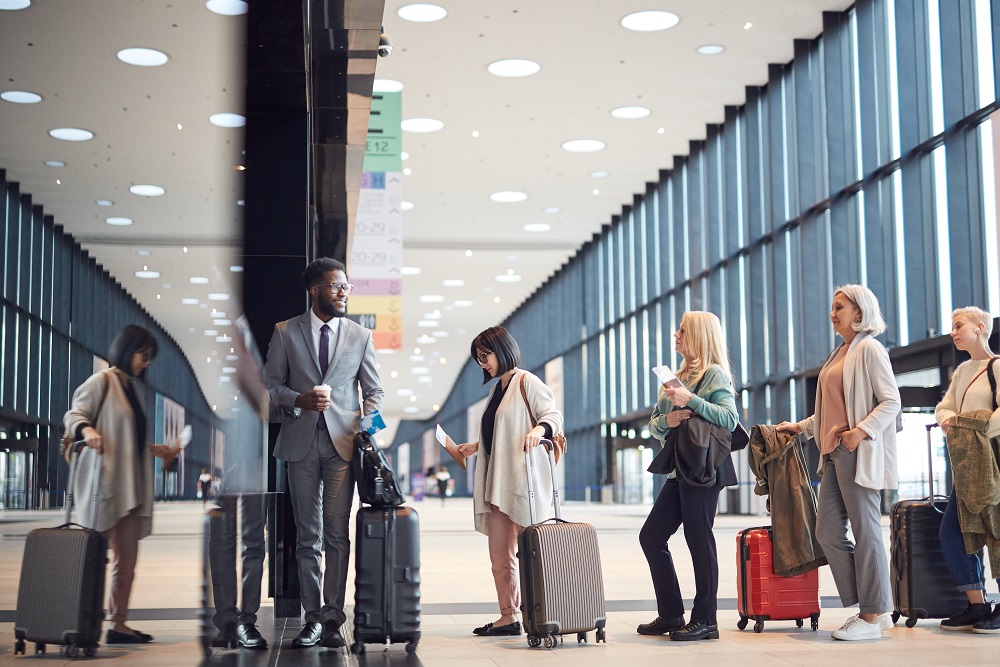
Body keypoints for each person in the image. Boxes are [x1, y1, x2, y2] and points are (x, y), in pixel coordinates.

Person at [263, 257, 384, 649]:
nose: (344, 292)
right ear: (314, 289)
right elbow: (270, 387)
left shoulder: (360, 336)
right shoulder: (285, 332)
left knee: (337, 533)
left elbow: (375, 393)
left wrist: (368, 427)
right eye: (336, 286)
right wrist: (299, 398)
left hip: (343, 447)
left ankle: (333, 616)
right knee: (307, 536)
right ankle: (311, 617)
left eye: (346, 286)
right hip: (299, 445)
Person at [777, 284, 900, 641]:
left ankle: (871, 614)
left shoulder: (870, 349)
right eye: (832, 307)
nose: (833, 313)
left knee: (866, 532)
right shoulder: (840, 352)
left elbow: (891, 402)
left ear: (859, 313)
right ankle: (875, 604)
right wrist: (801, 427)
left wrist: (860, 431)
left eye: (839, 307)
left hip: (855, 450)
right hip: (833, 452)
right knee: (827, 532)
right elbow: (830, 409)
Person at [63, 324, 180, 644]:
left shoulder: (133, 388)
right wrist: (88, 432)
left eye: (150, 358)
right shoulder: (102, 381)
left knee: (126, 562)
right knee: (92, 559)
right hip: (105, 486)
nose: (145, 363)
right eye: (143, 355)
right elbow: (74, 415)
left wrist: (156, 450)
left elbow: (129, 436)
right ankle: (79, 621)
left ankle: (119, 623)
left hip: (131, 488)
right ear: (127, 349)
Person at [456, 326, 563, 637]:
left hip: (523, 483)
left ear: (502, 350)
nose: (483, 363)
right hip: (498, 484)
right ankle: (509, 615)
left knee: (532, 553)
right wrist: (475, 446)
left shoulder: (526, 381)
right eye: (478, 358)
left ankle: (542, 612)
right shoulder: (495, 391)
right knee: (500, 555)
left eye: (485, 355)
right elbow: (498, 431)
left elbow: (552, 414)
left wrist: (539, 430)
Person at [638, 311, 738, 642]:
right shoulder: (675, 376)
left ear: (698, 335)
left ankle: (706, 619)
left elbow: (729, 418)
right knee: (651, 537)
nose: (676, 334)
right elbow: (654, 422)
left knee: (698, 538)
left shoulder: (714, 375)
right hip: (682, 467)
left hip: (706, 468)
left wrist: (690, 400)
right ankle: (670, 614)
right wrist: (670, 420)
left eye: (683, 329)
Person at [935, 306, 1000, 632]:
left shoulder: (998, 366)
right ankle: (977, 605)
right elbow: (944, 407)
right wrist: (951, 422)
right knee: (952, 534)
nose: (953, 331)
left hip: (993, 462)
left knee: (997, 533)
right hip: (967, 465)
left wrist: (974, 428)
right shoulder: (962, 371)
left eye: (959, 325)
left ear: (979, 327)